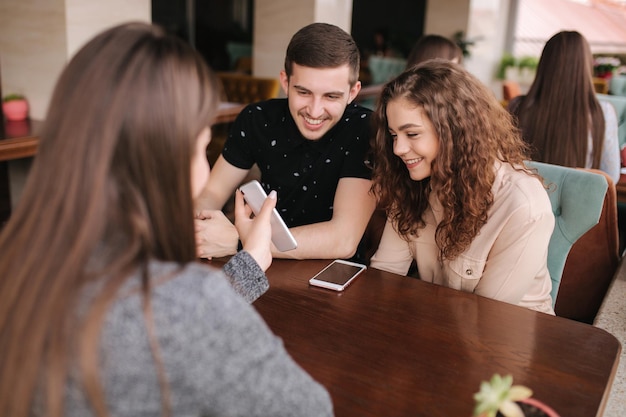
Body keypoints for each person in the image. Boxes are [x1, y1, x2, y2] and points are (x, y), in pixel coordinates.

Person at [0, 22, 333, 417]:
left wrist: (251, 260)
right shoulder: (188, 304)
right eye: (201, 149)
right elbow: (307, 409)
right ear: (167, 159)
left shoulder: (18, 256)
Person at [369, 60, 556, 314]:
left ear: (454, 132)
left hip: (509, 342)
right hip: (436, 327)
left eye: (412, 134)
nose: (398, 149)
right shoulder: (412, 182)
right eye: (394, 135)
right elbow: (385, 277)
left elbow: (486, 318)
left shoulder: (523, 206)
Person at [195, 22, 377, 261]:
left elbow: (342, 239)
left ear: (353, 92)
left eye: (331, 96)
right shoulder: (257, 118)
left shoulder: (365, 128)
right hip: (262, 264)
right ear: (285, 82)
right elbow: (212, 191)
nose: (315, 110)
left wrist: (242, 242)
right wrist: (199, 225)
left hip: (334, 276)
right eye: (303, 92)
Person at [508, 31, 620, 185]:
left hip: (527, 203)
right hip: (580, 206)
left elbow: (505, 163)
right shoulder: (603, 112)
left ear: (545, 63)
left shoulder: (518, 107)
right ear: (586, 66)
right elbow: (610, 177)